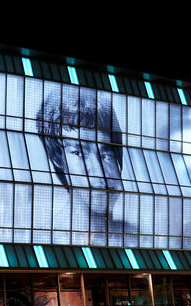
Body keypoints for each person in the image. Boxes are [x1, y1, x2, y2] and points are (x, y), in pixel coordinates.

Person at [36, 89, 131, 239]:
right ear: (57, 158)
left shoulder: (136, 237)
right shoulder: (48, 238)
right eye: (78, 153)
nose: (101, 174)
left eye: (106, 155)